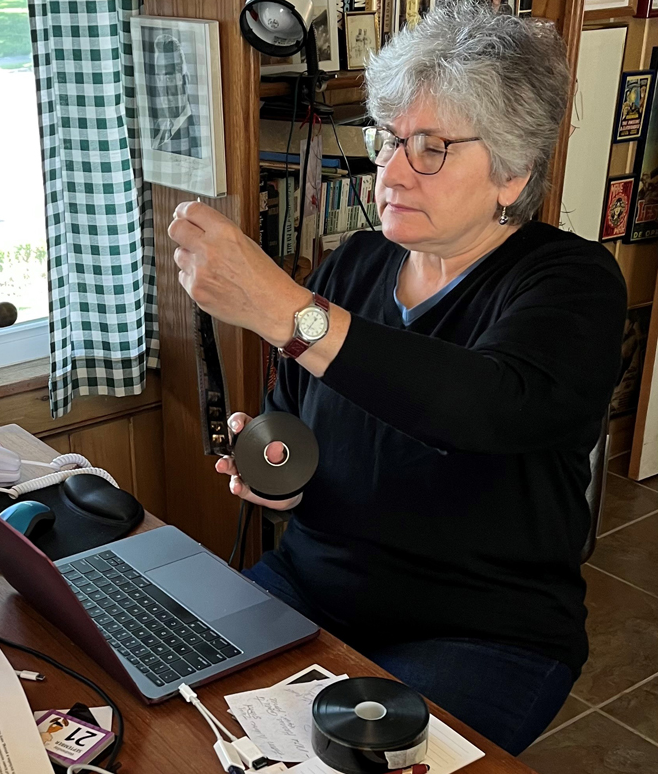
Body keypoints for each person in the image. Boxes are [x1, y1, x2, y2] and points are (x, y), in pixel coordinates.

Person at [167, 1, 627, 755]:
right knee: (176, 718)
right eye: (389, 141)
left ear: (512, 171)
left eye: (432, 148)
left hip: (481, 632)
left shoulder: (571, 283)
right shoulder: (354, 266)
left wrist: (287, 309)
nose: (393, 171)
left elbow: (480, 406)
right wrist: (275, 470)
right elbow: (297, 424)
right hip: (311, 585)